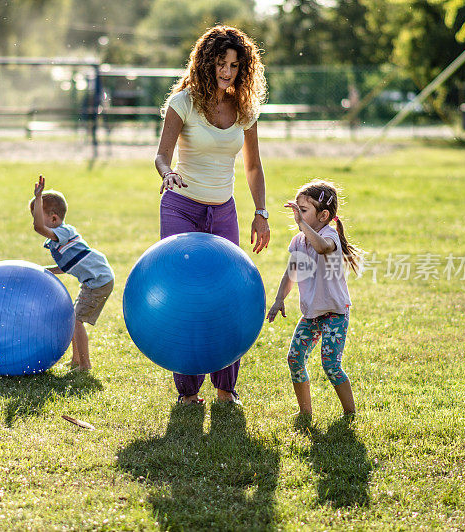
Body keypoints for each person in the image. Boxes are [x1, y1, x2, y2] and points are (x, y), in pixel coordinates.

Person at [154, 25, 269, 405]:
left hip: (223, 210)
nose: (228, 71)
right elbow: (161, 154)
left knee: (227, 295)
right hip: (181, 207)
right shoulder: (182, 102)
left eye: (235, 65)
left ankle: (226, 388)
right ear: (207, 63)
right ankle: (188, 392)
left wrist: (261, 212)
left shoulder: (244, 108)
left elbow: (253, 166)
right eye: (221, 63)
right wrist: (167, 173)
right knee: (187, 295)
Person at [266, 180, 363, 417]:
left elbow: (321, 247)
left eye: (304, 210)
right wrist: (279, 300)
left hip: (335, 313)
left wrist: (301, 225)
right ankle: (305, 412)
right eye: (297, 209)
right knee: (294, 358)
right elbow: (292, 273)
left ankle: (350, 413)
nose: (298, 214)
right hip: (311, 314)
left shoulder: (329, 236)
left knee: (331, 365)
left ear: (324, 215)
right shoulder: (299, 241)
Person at [29, 175, 114, 372]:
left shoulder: (64, 232)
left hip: (99, 280)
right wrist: (43, 271)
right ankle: (76, 360)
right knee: (73, 319)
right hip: (92, 280)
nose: (34, 221)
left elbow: (37, 227)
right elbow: (66, 267)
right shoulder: (57, 241)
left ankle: (85, 364)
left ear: (53, 218)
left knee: (76, 321)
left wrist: (38, 196)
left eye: (37, 214)